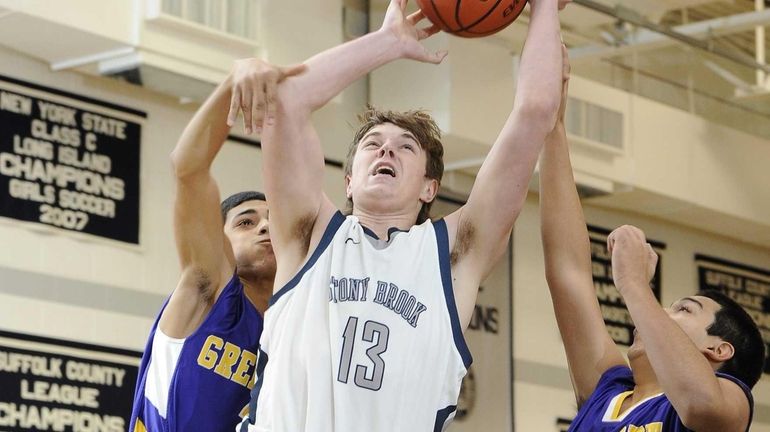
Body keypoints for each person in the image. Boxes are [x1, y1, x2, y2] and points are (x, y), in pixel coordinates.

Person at [233, 0, 568, 430]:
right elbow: (286, 102)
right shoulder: (309, 236)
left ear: (430, 187)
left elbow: (536, 111)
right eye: (373, 144)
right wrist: (384, 43)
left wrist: (542, 6)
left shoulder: (453, 253)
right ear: (349, 180)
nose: (386, 149)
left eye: (405, 147)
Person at [538, 49, 765, 432]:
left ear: (718, 350)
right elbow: (568, 273)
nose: (660, 315)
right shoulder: (608, 390)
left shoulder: (730, 403)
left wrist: (634, 285)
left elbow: (701, 405)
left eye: (684, 310)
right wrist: (551, 123)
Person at [129, 59, 304, 432]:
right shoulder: (207, 288)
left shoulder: (294, 333)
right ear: (219, 237)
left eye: (275, 220)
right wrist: (234, 81)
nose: (265, 228)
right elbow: (188, 168)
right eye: (246, 221)